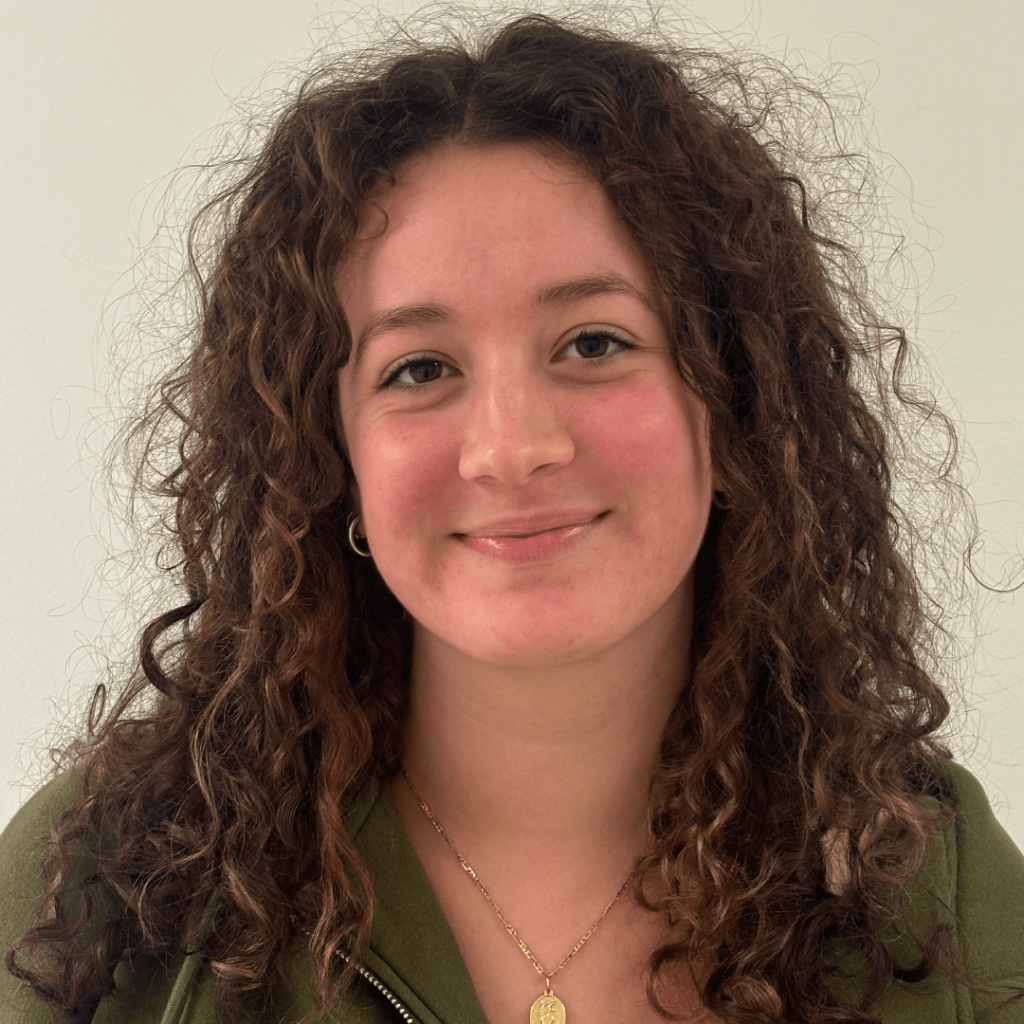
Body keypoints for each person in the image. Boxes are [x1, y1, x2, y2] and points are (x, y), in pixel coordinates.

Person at [2, 7, 1022, 1024]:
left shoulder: (933, 885)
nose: (511, 446)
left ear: (735, 401)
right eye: (419, 368)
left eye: (593, 343)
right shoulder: (104, 886)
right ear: (330, 457)